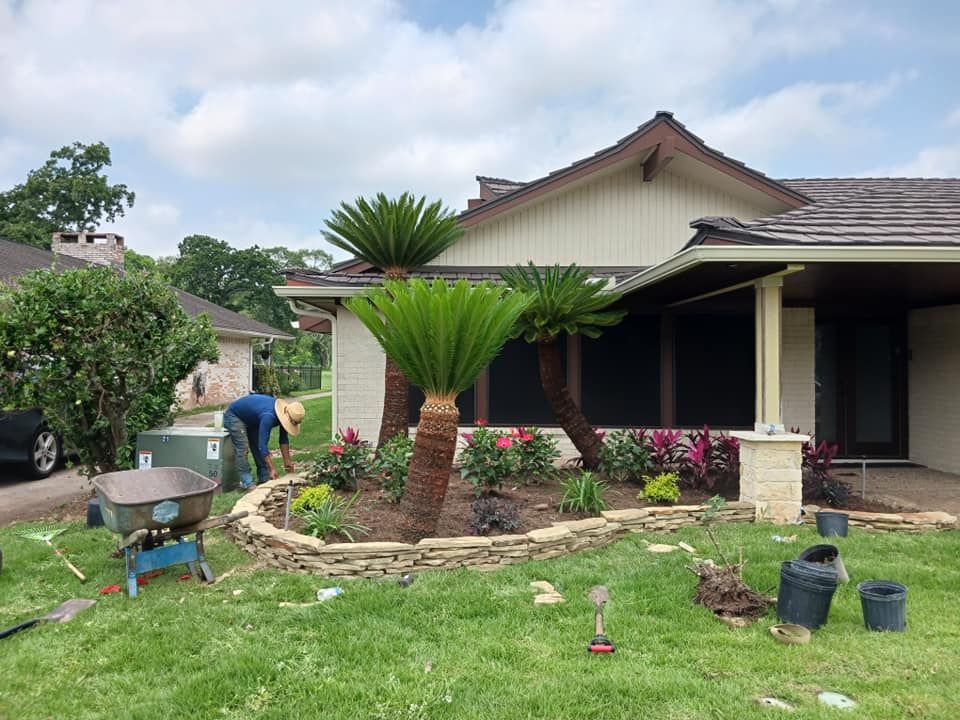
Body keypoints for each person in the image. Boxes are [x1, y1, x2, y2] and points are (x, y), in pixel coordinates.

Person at [223, 394, 305, 489]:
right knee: (243, 448)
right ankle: (247, 482)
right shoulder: (269, 416)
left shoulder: (285, 414)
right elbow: (262, 445)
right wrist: (272, 469)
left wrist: (287, 462)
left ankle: (264, 477)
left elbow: (283, 440)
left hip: (252, 418)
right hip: (234, 416)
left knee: (257, 446)